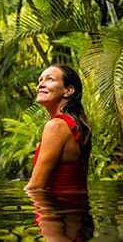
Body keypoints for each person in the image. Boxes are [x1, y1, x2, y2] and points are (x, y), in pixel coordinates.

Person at [24, 64, 92, 192]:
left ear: (68, 91)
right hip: (74, 208)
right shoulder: (76, 126)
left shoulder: (56, 126)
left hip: (54, 209)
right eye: (40, 80)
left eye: (50, 79)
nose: (40, 85)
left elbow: (36, 186)